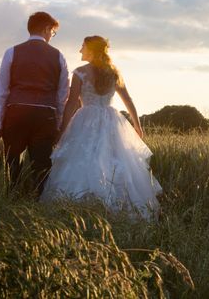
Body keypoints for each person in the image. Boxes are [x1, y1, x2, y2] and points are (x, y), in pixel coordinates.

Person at [40, 35, 161, 219]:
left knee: (84, 160)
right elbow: (128, 100)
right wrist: (137, 125)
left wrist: (62, 130)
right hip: (111, 119)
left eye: (83, 46)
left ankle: (79, 208)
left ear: (91, 49)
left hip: (85, 119)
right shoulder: (113, 72)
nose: (80, 50)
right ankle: (116, 209)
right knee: (113, 160)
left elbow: (72, 103)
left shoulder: (80, 72)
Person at [0, 11, 69, 196]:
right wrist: (57, 121)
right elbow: (62, 93)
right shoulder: (59, 56)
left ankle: (11, 198)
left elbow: (1, 91)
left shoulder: (11, 52)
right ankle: (38, 203)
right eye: (53, 32)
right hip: (45, 115)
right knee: (41, 166)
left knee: (12, 161)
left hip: (16, 113)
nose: (52, 36)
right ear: (46, 28)